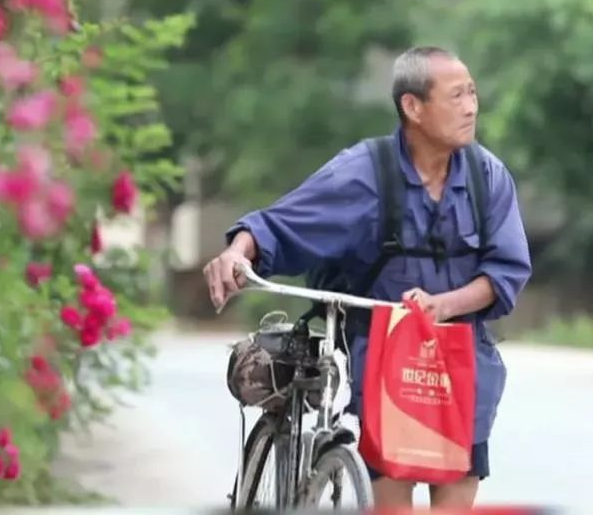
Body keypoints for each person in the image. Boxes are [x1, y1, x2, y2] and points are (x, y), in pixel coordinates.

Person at [204, 46, 532, 509]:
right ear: (413, 106)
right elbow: (284, 222)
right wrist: (238, 251)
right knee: (391, 502)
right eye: (456, 96)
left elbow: (505, 272)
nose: (471, 107)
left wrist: (444, 305)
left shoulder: (487, 177)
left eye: (473, 94)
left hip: (462, 360)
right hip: (386, 358)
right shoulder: (365, 172)